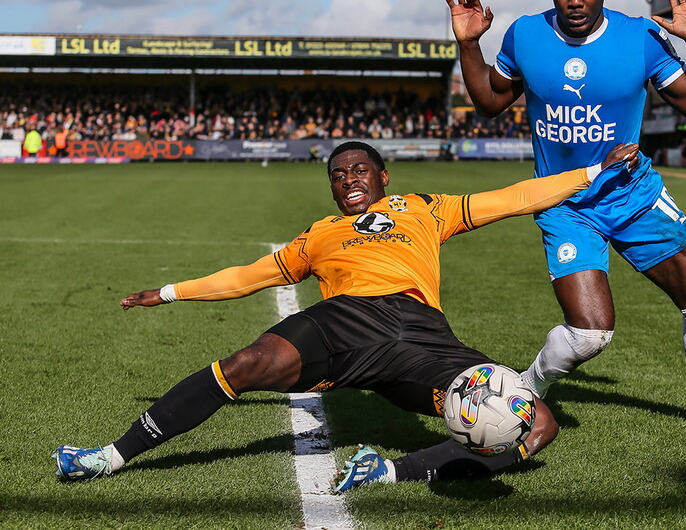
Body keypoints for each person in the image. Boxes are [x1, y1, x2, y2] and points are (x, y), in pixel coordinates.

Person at [53, 140, 639, 488]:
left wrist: (593, 173)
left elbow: (511, 198)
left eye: (360, 170)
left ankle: (388, 472)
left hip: (421, 334)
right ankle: (109, 456)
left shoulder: (426, 208)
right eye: (338, 175)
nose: (348, 180)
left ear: (384, 177)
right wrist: (171, 291)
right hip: (344, 321)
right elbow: (246, 277)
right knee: (247, 362)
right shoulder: (320, 234)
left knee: (537, 424)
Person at [444, 0, 686, 429]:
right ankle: (527, 389)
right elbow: (490, 101)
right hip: (564, 202)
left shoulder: (640, 38)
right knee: (590, 335)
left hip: (633, 195)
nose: (576, 2)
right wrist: (469, 45)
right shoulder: (525, 35)